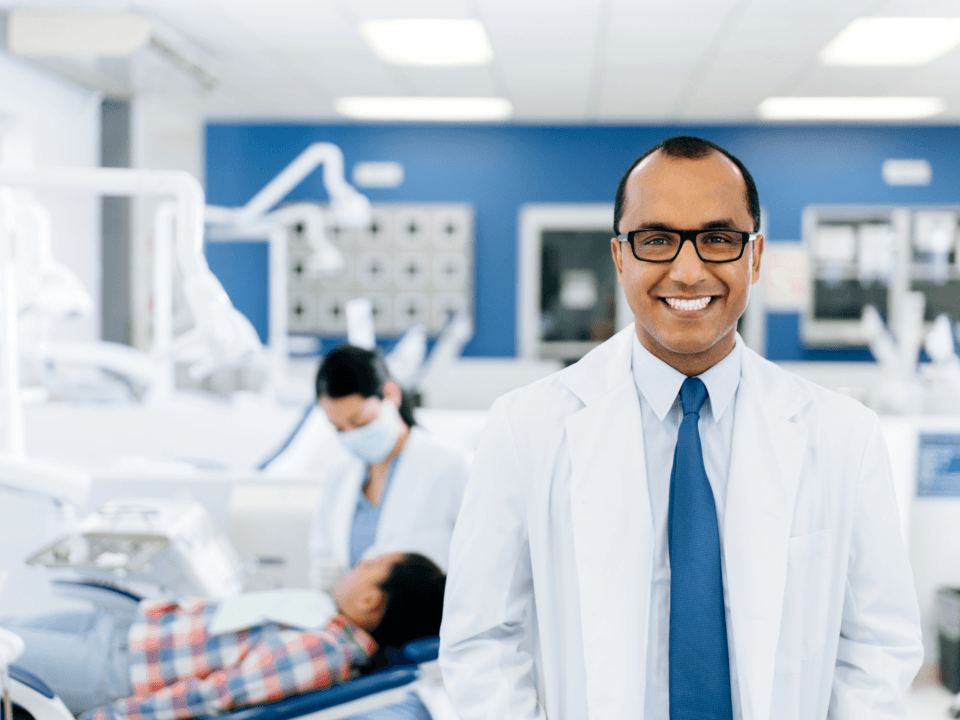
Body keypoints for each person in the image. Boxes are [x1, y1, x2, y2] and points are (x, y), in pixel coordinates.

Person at [439, 136, 924, 719]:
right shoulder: (526, 429)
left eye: (718, 239)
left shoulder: (844, 437)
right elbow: (481, 641)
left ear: (756, 255)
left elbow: (878, 646)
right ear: (620, 257)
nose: (688, 271)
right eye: (657, 240)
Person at [3, 552, 444, 720]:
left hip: (113, 671)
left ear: (371, 602)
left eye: (370, 567)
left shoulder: (324, 650)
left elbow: (216, 694)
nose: (360, 562)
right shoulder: (328, 619)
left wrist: (112, 718)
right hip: (125, 632)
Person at [309, 345, 470, 583]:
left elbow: (478, 564)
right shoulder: (338, 475)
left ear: (391, 394)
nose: (351, 435)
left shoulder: (454, 466)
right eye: (339, 428)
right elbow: (323, 557)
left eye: (360, 422)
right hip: (349, 619)